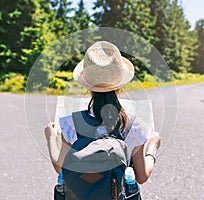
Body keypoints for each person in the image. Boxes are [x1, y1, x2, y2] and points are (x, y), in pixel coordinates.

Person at [45, 41, 161, 185]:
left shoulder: (71, 124)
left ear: (88, 85)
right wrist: (152, 147)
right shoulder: (135, 126)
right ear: (120, 84)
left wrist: (50, 137)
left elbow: (60, 168)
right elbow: (141, 177)